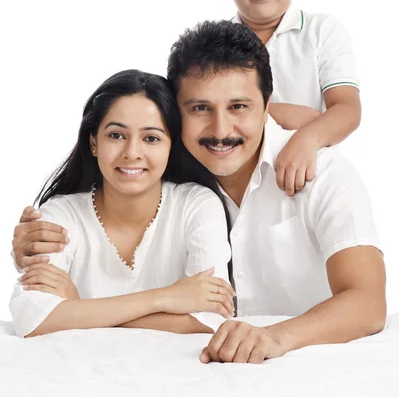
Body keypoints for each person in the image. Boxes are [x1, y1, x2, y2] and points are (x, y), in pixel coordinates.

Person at [14, 22, 386, 364]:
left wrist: (273, 338)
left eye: (239, 106)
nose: (220, 130)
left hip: (309, 364)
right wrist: (28, 246)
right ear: (176, 114)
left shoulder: (322, 173)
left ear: (268, 107)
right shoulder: (161, 171)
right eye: (200, 108)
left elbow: (367, 303)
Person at [9, 69, 234, 338]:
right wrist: (164, 298)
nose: (132, 153)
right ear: (93, 142)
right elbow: (29, 317)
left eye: (151, 138)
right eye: (116, 135)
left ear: (171, 147)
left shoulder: (197, 205)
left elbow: (208, 321)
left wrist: (78, 308)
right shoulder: (61, 214)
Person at [216, 0, 361, 196]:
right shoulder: (214, 45)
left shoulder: (322, 31)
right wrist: (286, 115)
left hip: (306, 177)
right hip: (232, 185)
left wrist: (308, 136)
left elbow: (347, 109)